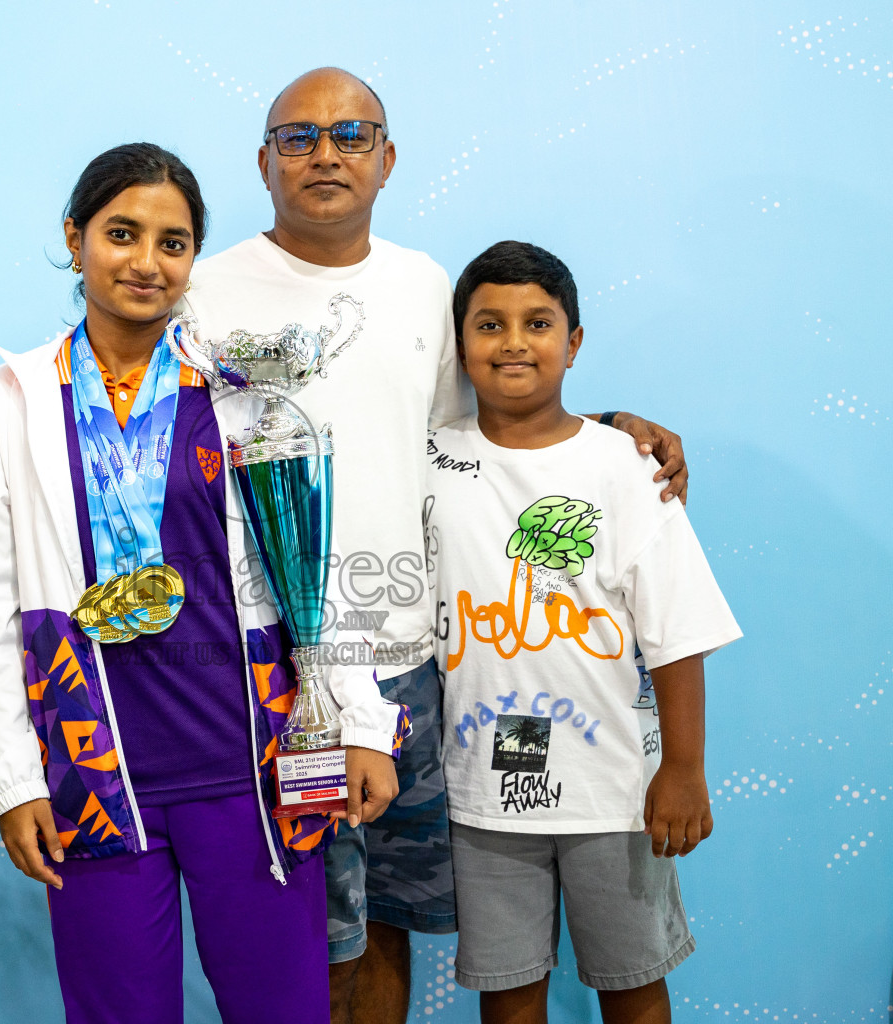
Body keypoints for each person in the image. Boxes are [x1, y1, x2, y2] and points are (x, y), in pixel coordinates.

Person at [181, 67, 692, 1024]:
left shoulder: (422, 288)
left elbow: (491, 433)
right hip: (263, 667)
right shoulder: (202, 295)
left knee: (387, 920)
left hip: (413, 666)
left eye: (350, 133)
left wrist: (612, 425)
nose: (324, 153)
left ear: (388, 159)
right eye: (297, 137)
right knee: (299, 922)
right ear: (262, 161)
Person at [0, 142, 408, 1024]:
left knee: (283, 1011)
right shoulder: (9, 400)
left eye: (174, 242)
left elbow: (315, 562)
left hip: (251, 765)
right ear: (75, 237)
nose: (146, 262)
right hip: (95, 766)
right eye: (122, 233)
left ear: (194, 257)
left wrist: (362, 723)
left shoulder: (242, 391)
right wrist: (16, 779)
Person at [426, 241, 743, 1023]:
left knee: (633, 983)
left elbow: (677, 628)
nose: (512, 342)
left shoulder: (625, 466)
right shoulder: (428, 460)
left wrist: (685, 769)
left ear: (573, 342)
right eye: (488, 324)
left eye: (538, 323)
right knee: (507, 989)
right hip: (481, 795)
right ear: (459, 345)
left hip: (613, 790)